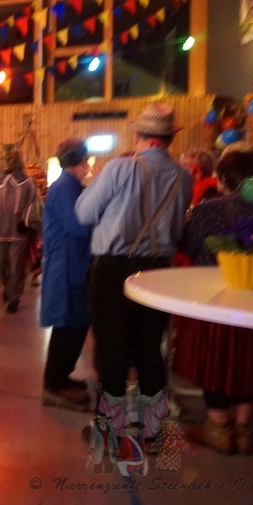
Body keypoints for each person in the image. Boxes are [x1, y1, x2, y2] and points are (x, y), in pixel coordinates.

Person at [75, 103, 191, 415]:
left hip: (115, 269)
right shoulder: (183, 177)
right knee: (150, 349)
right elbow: (177, 228)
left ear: (139, 135)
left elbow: (84, 213)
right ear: (169, 138)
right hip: (158, 271)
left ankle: (110, 428)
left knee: (111, 349)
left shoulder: (119, 168)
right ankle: (154, 426)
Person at [176, 150, 253, 454]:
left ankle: (219, 426)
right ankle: (243, 428)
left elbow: (189, 245)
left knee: (217, 359)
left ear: (222, 179)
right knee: (247, 360)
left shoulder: (210, 209)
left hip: (216, 297)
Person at [40, 139, 93, 410]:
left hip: (72, 264)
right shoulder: (65, 187)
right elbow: (78, 225)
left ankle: (61, 377)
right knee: (67, 325)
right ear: (81, 161)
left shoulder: (68, 186)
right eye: (87, 161)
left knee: (75, 324)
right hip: (67, 266)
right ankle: (54, 384)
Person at [0, 144, 42, 313]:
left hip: (18, 232)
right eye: (3, 158)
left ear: (17, 159)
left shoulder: (28, 183)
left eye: (10, 157)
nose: (6, 161)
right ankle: (9, 287)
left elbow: (34, 203)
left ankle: (14, 297)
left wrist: (27, 221)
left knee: (16, 267)